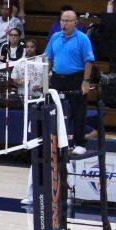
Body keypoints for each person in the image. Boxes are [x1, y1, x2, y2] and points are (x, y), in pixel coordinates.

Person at [45, 9, 95, 155]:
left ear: (75, 23)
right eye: (62, 20)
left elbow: (89, 61)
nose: (64, 23)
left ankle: (80, 143)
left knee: (78, 112)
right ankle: (58, 142)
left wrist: (85, 81)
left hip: (76, 78)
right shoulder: (55, 37)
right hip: (57, 79)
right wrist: (46, 76)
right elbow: (49, 57)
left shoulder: (82, 38)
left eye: (68, 21)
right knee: (56, 111)